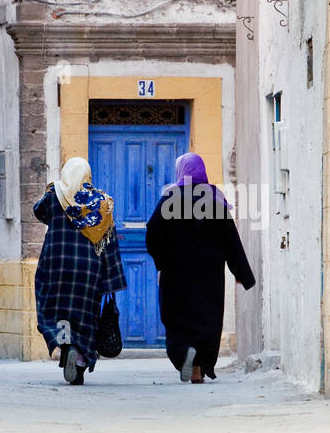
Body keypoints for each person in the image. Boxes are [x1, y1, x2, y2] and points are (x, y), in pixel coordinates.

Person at [145, 152, 255, 383]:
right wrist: (242, 274)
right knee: (207, 320)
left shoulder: (170, 199)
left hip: (176, 275)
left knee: (176, 319)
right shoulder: (215, 199)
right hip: (209, 277)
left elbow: (153, 233)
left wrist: (161, 260)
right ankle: (198, 367)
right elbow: (231, 240)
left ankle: (185, 353)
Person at [33, 157, 126, 385]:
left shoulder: (54, 196)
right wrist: (110, 276)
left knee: (58, 311)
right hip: (88, 271)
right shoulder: (102, 201)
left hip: (56, 266)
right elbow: (108, 239)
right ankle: (81, 357)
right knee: (85, 315)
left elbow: (38, 212)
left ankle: (67, 346)